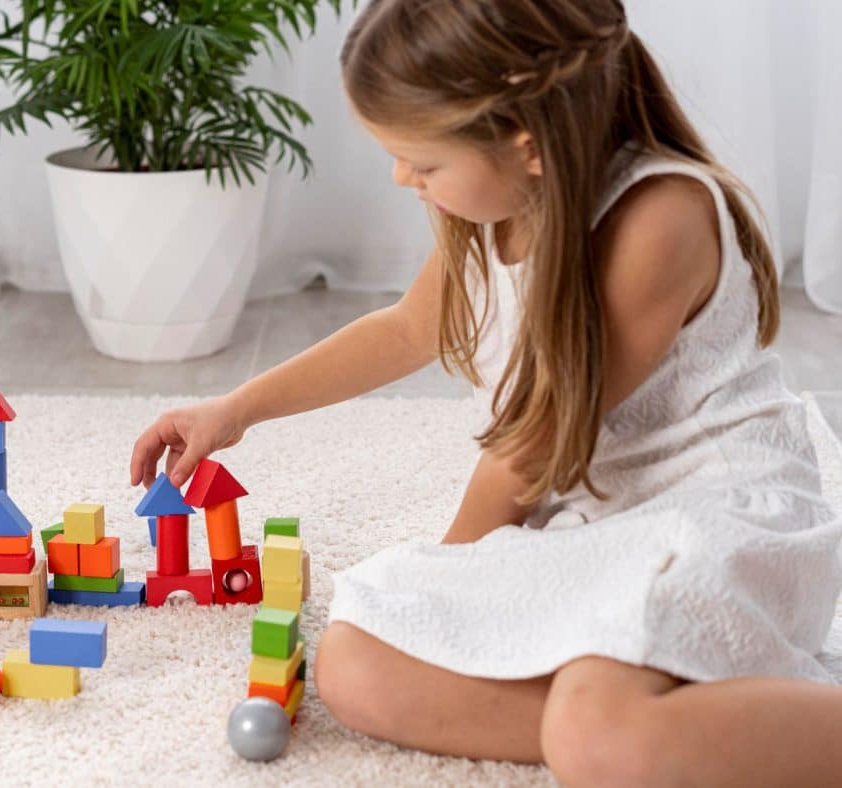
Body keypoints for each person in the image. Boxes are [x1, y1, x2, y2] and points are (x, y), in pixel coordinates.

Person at [127, 1, 842, 783]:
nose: (404, 178)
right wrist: (236, 410)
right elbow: (407, 330)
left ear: (525, 143)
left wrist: (453, 572)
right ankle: (661, 724)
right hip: (599, 523)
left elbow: (535, 442)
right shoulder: (499, 206)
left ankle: (630, 730)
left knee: (591, 727)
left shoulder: (658, 218)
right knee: (353, 665)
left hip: (711, 518)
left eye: (423, 163)